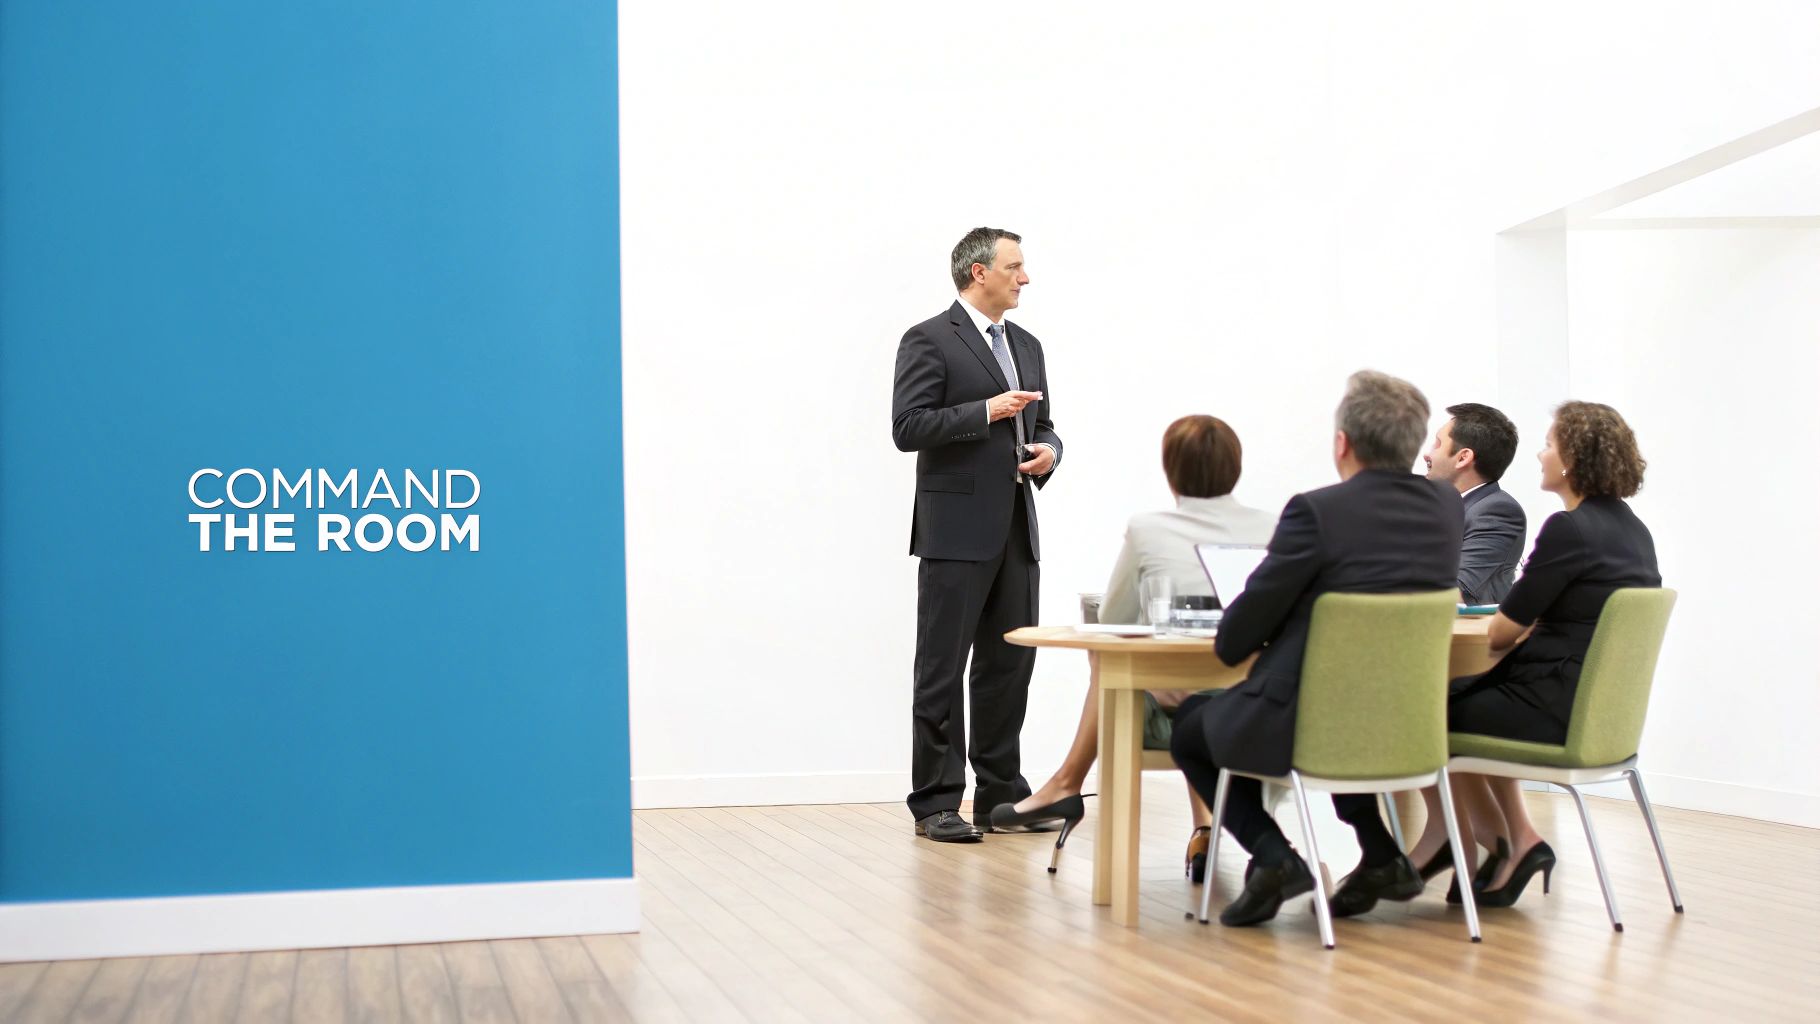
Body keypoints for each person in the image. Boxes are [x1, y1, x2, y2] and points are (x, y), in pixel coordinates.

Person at [1169, 371, 1462, 927]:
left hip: (1312, 724)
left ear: (1342, 443)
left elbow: (1234, 642)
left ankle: (1275, 857)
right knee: (1331, 708)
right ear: (1414, 445)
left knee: (1191, 725)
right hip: (1406, 722)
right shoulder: (1447, 508)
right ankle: (1381, 856)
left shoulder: (1317, 512)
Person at [988, 415, 1277, 878]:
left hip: (1179, 714)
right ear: (1236, 467)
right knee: (1193, 675)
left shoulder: (1149, 530)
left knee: (1110, 660)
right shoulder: (1270, 526)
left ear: (1170, 470)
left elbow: (1113, 622)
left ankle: (1067, 783)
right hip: (1258, 709)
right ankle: (1202, 830)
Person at [1401, 401, 1660, 908]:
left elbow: (1500, 635)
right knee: (1453, 705)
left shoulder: (1570, 530)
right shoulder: (1634, 531)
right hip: (1595, 714)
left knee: (1426, 715)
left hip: (1552, 702)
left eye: (1548, 445)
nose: (1540, 455)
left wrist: (1522, 621)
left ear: (1572, 462)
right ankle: (1508, 844)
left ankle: (1506, 843)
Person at [892, 227, 1063, 844]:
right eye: (1015, 267)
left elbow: (1047, 427)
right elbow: (908, 426)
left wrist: (1049, 452)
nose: (1025, 277)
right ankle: (936, 802)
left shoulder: (1028, 344)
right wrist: (985, 412)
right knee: (942, 667)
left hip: (1017, 527)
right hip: (956, 531)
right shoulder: (930, 339)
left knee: (1008, 665)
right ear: (978, 273)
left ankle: (1000, 795)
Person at [1425, 403, 1526, 605]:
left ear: (1463, 457)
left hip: (1462, 633)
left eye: (1437, 444)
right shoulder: (1436, 508)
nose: (1427, 454)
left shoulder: (1497, 512)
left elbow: (1457, 591)